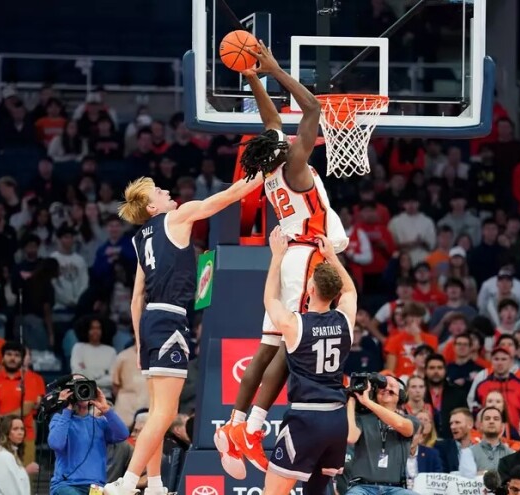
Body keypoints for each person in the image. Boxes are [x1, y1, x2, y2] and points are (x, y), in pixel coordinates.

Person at [215, 40, 349, 478]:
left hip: (290, 255)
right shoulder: (293, 167)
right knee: (289, 348)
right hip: (308, 257)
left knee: (269, 345)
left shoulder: (270, 163)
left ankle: (238, 425)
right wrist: (272, 68)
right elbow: (310, 110)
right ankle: (251, 429)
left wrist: (251, 77)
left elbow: (272, 120)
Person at [103, 164, 263, 495]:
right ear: (151, 207)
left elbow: (135, 300)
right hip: (169, 319)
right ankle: (128, 482)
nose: (167, 192)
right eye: (159, 192)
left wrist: (138, 345)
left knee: (155, 412)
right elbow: (230, 196)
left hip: (150, 322)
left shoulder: (138, 239)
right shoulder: (177, 217)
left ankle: (157, 484)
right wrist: (266, 175)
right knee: (166, 412)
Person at [254, 229, 355, 495]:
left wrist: (276, 257)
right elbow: (351, 291)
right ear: (335, 294)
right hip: (336, 419)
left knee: (273, 491)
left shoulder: (294, 324)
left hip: (306, 418)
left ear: (309, 288)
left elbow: (269, 300)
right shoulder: (345, 318)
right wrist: (332, 256)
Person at [49, 376, 129, 495]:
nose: (82, 392)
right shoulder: (60, 420)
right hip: (66, 485)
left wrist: (105, 408)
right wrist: (66, 408)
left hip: (96, 487)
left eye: (85, 387)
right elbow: (56, 444)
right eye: (77, 388)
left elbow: (123, 434)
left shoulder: (100, 423)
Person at [345, 373, 417, 495]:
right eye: (382, 386)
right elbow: (351, 437)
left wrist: (367, 402)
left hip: (396, 489)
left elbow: (401, 426)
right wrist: (351, 399)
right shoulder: (362, 418)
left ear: (401, 394)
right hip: (362, 488)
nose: (387, 388)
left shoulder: (410, 420)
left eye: (392, 386)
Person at [0, 415, 33, 495]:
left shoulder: (11, 455)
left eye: (22, 429)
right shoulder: (4, 457)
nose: (20, 432)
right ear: (6, 432)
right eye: (15, 429)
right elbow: (9, 489)